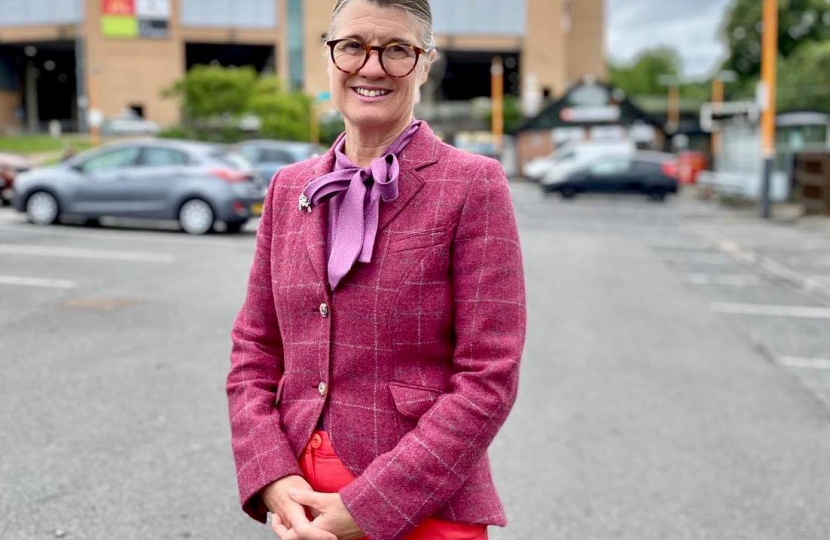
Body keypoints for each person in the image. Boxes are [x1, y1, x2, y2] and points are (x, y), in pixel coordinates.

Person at [226, 1, 526, 539]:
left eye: (397, 50)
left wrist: (372, 505)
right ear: (328, 56)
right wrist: (270, 474)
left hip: (425, 502)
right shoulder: (287, 188)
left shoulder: (473, 184)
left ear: (425, 64)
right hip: (303, 505)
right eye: (353, 46)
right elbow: (254, 350)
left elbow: (489, 377)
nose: (372, 67)